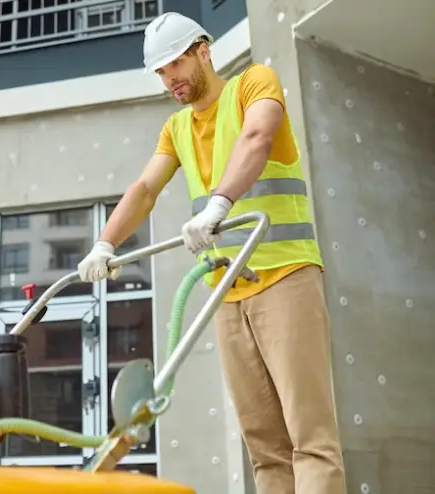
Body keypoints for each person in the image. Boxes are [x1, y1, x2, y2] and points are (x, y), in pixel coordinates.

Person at [76, 12, 347, 494]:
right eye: (160, 72)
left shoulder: (254, 83)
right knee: (264, 448)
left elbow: (257, 138)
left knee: (310, 438)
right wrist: (105, 243)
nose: (169, 80)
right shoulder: (176, 128)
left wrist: (219, 205)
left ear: (203, 49)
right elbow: (144, 188)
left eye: (175, 64)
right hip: (227, 292)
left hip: (286, 277)